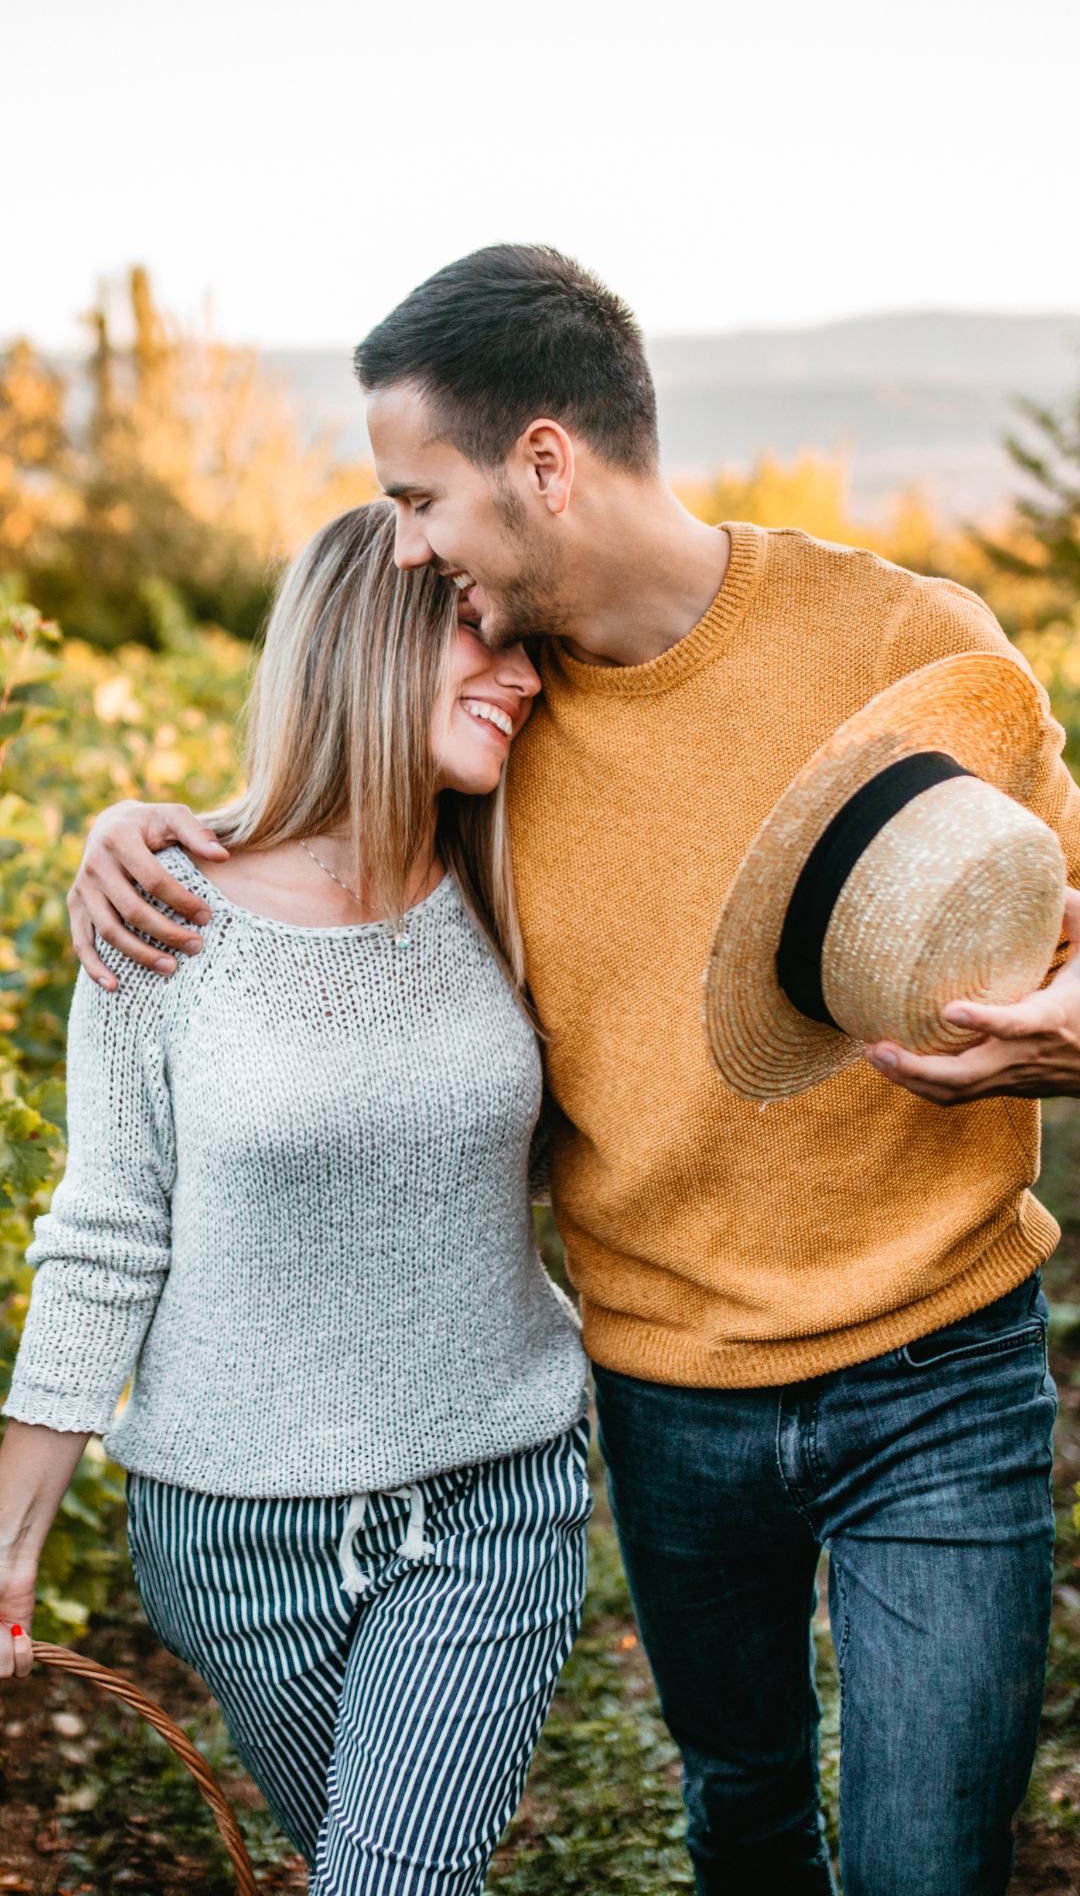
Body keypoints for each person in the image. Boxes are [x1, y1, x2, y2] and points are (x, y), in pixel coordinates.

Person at [54, 246, 1080, 1896]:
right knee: (742, 1801)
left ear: (545, 462)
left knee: (928, 1859)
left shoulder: (908, 640)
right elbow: (324, 854)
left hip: (938, 1361)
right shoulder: (496, 734)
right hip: (669, 1384)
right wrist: (134, 833)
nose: (406, 544)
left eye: (420, 497)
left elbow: (1063, 920)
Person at [0, 499, 591, 1896]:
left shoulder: (516, 879)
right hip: (229, 1535)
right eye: (481, 633)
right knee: (369, 1866)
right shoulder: (164, 909)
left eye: (532, 646)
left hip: (490, 1496)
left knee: (391, 1877)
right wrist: (13, 1535)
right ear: (364, 635)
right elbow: (107, 1229)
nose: (523, 673)